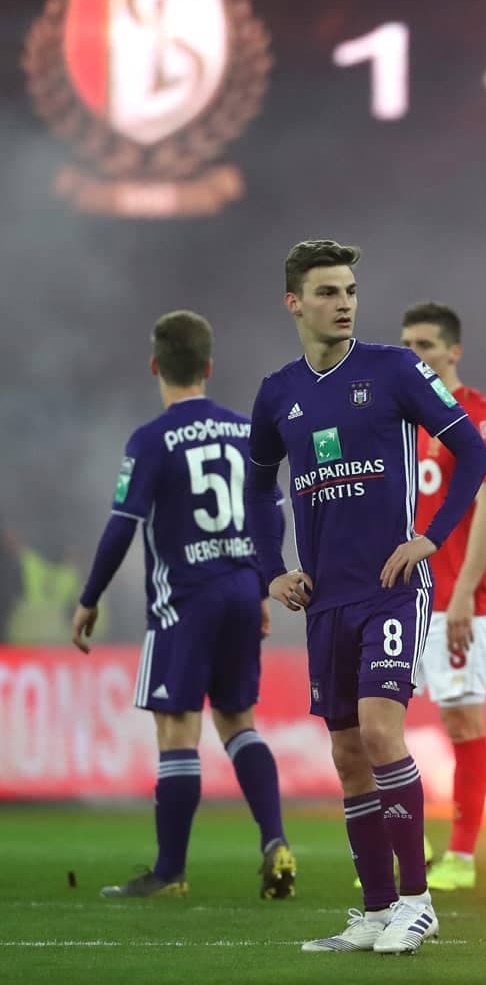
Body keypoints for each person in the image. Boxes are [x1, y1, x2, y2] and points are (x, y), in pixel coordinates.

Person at [244, 240, 486, 955]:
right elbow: (259, 493)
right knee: (349, 757)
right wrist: (272, 568)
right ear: (295, 302)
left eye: (350, 289)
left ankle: (418, 902)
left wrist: (432, 539)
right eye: (327, 291)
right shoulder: (277, 392)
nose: (344, 302)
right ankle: (378, 910)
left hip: (389, 590)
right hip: (323, 602)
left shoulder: (393, 369)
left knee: (384, 735)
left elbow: (472, 452)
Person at [71, 311, 295, 899]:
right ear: (209, 367)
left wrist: (89, 598)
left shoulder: (151, 440)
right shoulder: (247, 433)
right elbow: (272, 511)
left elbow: (123, 526)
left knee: (178, 729)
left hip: (186, 601)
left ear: (155, 367)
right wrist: (262, 582)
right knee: (239, 722)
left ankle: (169, 872)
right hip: (244, 590)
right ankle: (275, 840)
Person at [400, 302, 486, 892]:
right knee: (375, 720)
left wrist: (465, 592)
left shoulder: (477, 415)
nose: (412, 356)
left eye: (423, 346)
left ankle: (461, 857)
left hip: (456, 598)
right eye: (405, 345)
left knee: (461, 720)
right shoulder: (400, 420)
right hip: (398, 595)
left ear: (452, 352)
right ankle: (409, 839)